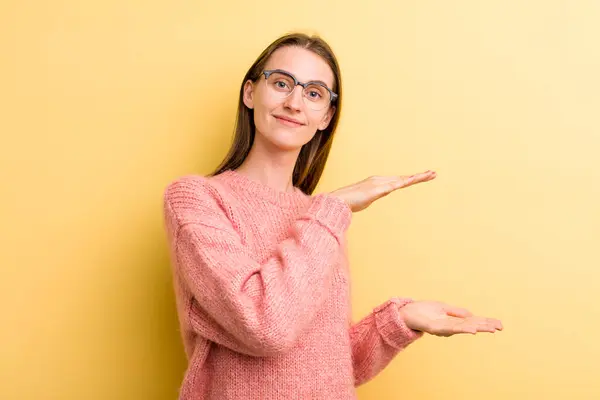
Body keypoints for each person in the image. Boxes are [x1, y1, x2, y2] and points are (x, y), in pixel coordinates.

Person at [162, 32, 503, 400]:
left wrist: (399, 321)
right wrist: (331, 210)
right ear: (250, 93)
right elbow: (264, 326)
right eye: (281, 83)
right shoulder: (196, 199)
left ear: (325, 116)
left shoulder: (319, 219)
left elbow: (330, 365)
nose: (294, 102)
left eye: (313, 93)